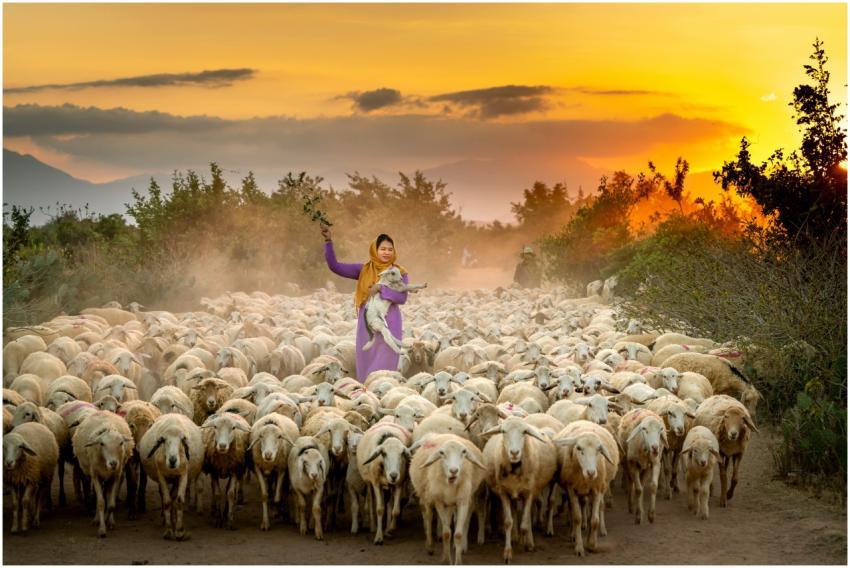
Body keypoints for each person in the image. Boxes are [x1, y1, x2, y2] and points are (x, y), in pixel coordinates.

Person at [321, 225, 411, 382]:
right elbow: (334, 266)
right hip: (367, 322)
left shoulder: (400, 272)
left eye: (390, 249)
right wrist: (328, 241)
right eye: (383, 249)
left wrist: (381, 289)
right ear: (375, 250)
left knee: (384, 367)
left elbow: (401, 297)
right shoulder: (363, 270)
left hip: (390, 322)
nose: (387, 252)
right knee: (366, 362)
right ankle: (367, 398)